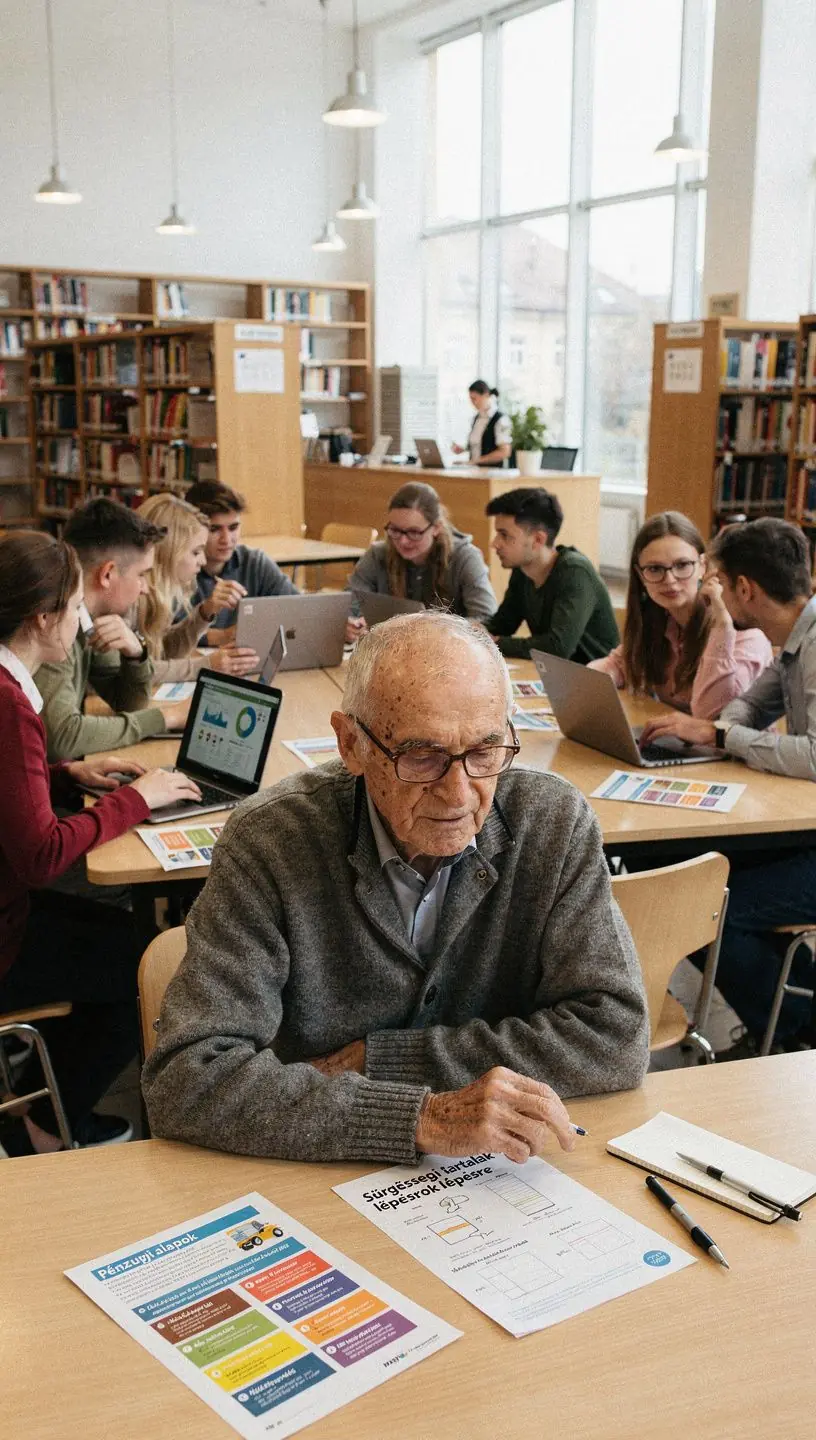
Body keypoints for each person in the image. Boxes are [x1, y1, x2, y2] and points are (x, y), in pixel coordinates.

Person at [142, 612, 649, 1163]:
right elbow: (187, 1078)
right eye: (422, 757)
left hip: (504, 1176)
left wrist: (386, 1061)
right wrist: (419, 1117)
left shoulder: (553, 822)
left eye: (485, 753)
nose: (459, 795)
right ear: (350, 744)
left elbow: (615, 1035)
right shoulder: (270, 841)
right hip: (309, 1173)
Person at [0, 531, 201, 1156]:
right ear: (42, 618)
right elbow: (42, 857)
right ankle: (42, 1127)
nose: (81, 620)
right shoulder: (9, 703)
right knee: (149, 968)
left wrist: (66, 775)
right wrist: (136, 800)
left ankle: (36, 1100)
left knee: (124, 937)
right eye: (73, 607)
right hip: (5, 931)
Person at [640, 518, 816, 1055]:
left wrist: (720, 734)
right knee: (673, 864)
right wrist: (720, 729)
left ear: (744, 587)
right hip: (804, 827)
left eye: (719, 580)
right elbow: (747, 707)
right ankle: (790, 1016)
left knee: (704, 906)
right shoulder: (793, 640)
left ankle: (792, 1030)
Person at [36, 498, 190, 760]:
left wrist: (135, 655)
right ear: (107, 574)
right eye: (142, 574)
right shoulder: (54, 622)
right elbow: (62, 737)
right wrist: (167, 717)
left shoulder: (91, 619)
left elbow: (128, 703)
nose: (145, 588)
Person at [589, 512, 772, 717]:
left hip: (727, 737)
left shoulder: (745, 632)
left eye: (682, 565)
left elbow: (716, 717)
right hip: (676, 736)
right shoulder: (661, 621)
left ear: (703, 565)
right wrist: (584, 682)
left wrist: (721, 627)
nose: (669, 579)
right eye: (655, 568)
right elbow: (618, 664)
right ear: (641, 575)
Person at [484, 487, 619, 662]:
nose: (495, 544)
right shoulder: (522, 570)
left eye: (504, 535)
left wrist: (494, 642)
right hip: (555, 673)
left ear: (538, 540)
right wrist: (473, 632)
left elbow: (557, 647)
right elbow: (502, 624)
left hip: (595, 676)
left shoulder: (575, 572)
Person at [136, 493, 260, 681]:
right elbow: (134, 673)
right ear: (168, 551)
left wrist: (204, 614)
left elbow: (162, 653)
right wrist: (207, 665)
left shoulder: (156, 596)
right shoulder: (132, 598)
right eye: (196, 552)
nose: (202, 561)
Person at [347, 481, 496, 627]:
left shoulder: (465, 557)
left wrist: (443, 631)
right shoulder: (378, 553)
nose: (403, 541)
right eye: (395, 530)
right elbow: (350, 602)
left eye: (414, 532)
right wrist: (352, 621)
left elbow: (484, 618)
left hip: (447, 642)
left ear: (436, 528)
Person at [185, 480, 298, 643]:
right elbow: (166, 637)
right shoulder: (178, 568)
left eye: (233, 528)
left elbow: (296, 609)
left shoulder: (255, 562)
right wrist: (222, 635)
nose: (226, 539)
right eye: (214, 529)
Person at [451, 379, 513, 468]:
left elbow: (505, 452)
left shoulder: (500, 419)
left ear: (486, 395)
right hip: (475, 471)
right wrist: (463, 449)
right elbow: (480, 446)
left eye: (474, 399)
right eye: (471, 399)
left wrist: (476, 461)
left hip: (492, 472)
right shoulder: (477, 418)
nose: (473, 403)